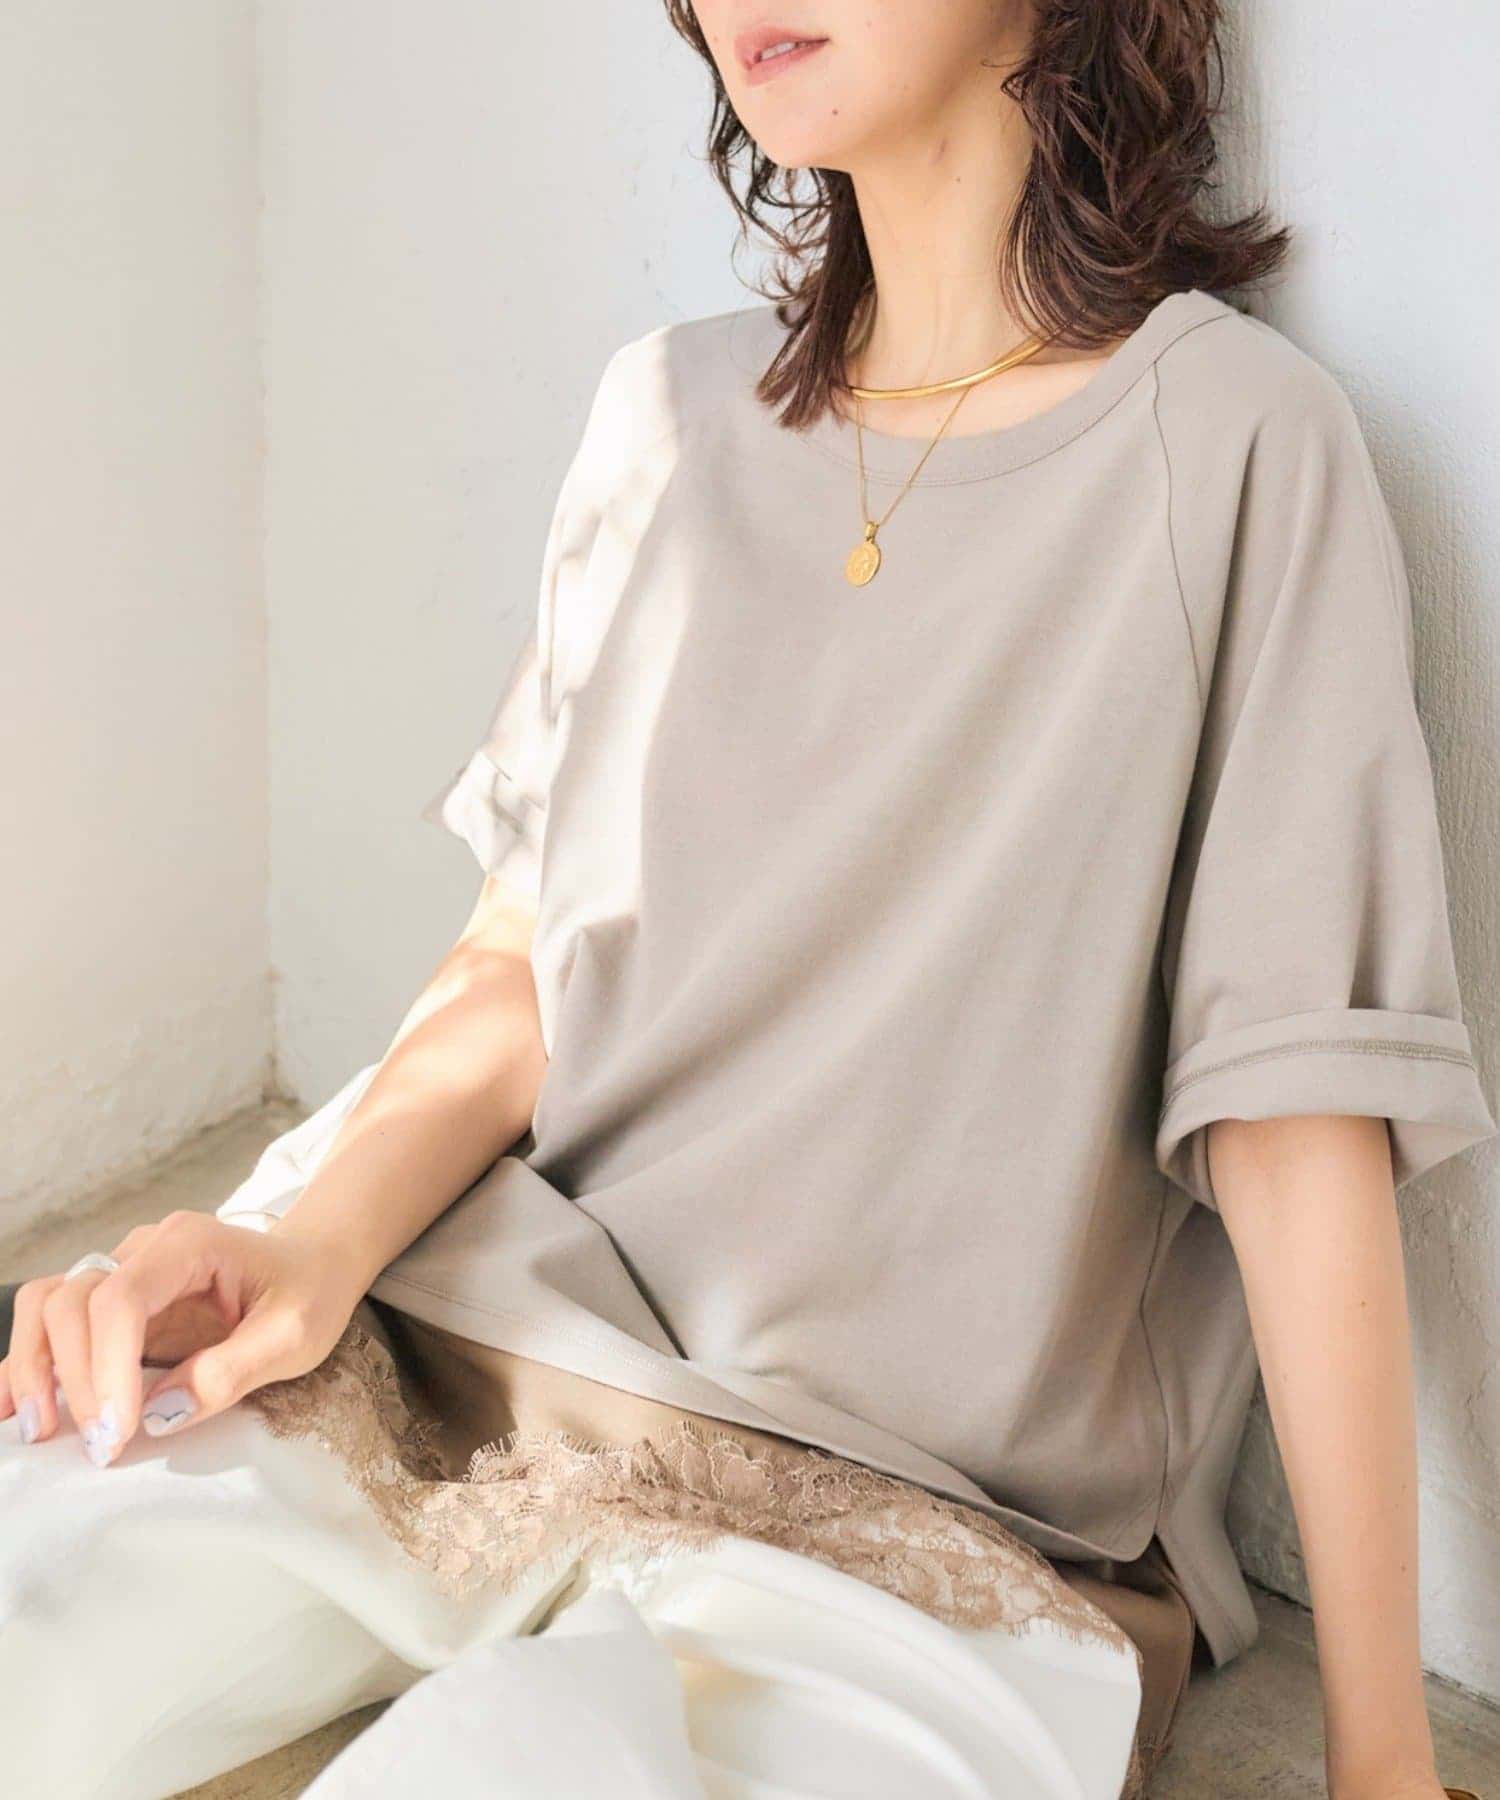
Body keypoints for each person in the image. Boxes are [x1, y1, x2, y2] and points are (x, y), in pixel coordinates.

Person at [2, 3, 1495, 1797]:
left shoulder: (1235, 442)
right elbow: (526, 961)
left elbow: (1292, 1111)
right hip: (467, 1357)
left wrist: (1383, 1758)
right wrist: (307, 1249)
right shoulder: (663, 416)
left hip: (914, 1537)